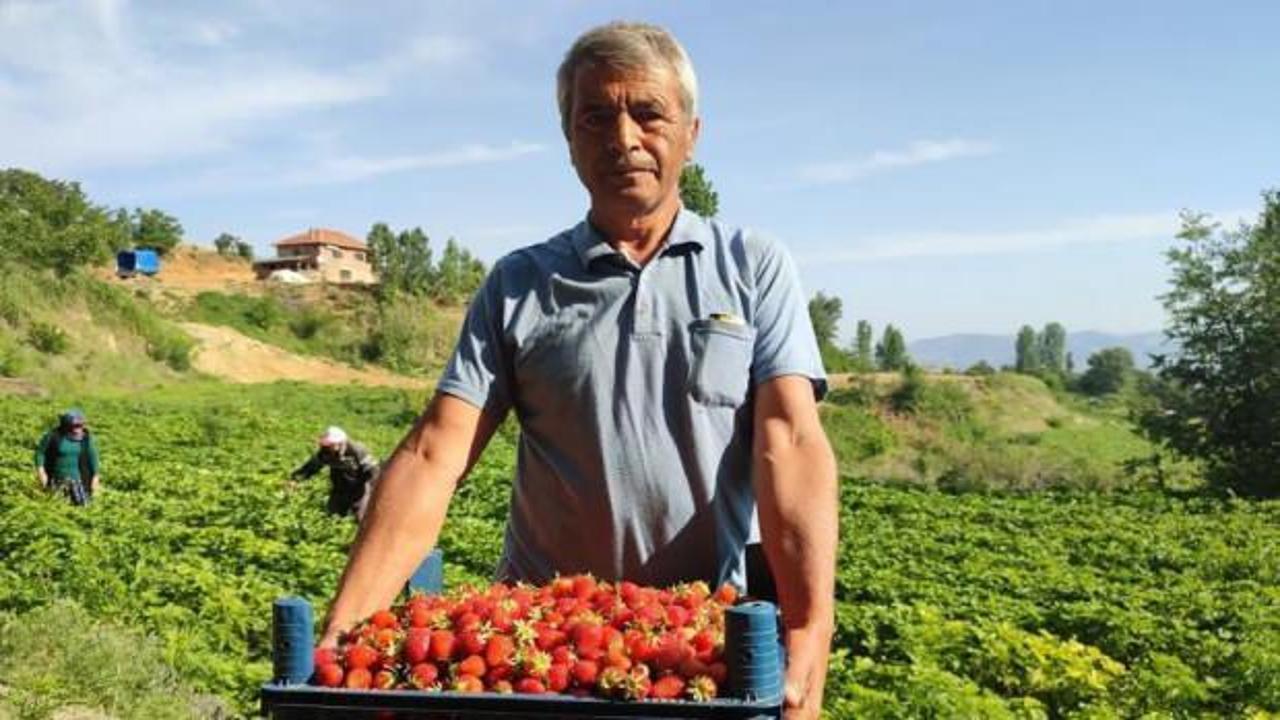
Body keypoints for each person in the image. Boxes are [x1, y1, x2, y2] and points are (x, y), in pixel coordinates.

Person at [322, 22, 837, 718]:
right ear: (569, 141)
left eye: (648, 112)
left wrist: (810, 628)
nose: (623, 137)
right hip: (546, 644)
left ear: (691, 131)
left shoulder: (751, 268)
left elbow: (792, 442)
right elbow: (435, 451)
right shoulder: (521, 284)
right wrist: (344, 631)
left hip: (694, 645)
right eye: (594, 116)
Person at [290, 426, 380, 521]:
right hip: (339, 486)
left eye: (330, 445)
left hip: (359, 488)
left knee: (360, 518)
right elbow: (311, 467)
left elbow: (373, 471)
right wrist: (295, 479)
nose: (327, 447)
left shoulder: (357, 450)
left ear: (340, 443)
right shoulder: (325, 452)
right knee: (332, 516)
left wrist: (374, 492)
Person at [34, 408, 101, 506]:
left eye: (80, 425)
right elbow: (40, 453)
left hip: (78, 480)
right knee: (55, 507)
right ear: (66, 425)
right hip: (56, 478)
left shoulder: (86, 438)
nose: (78, 428)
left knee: (83, 506)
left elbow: (93, 457)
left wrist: (95, 477)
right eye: (75, 426)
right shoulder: (53, 436)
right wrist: (41, 471)